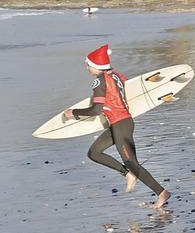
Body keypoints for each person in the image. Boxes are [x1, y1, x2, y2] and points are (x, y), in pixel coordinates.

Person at [62, 45, 169, 209]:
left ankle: (161, 193)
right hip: (120, 124)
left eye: (88, 64)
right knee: (94, 152)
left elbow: (96, 110)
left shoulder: (99, 81)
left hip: (121, 125)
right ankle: (127, 174)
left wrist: (73, 113)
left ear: (96, 66)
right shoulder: (118, 76)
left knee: (132, 162)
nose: (86, 68)